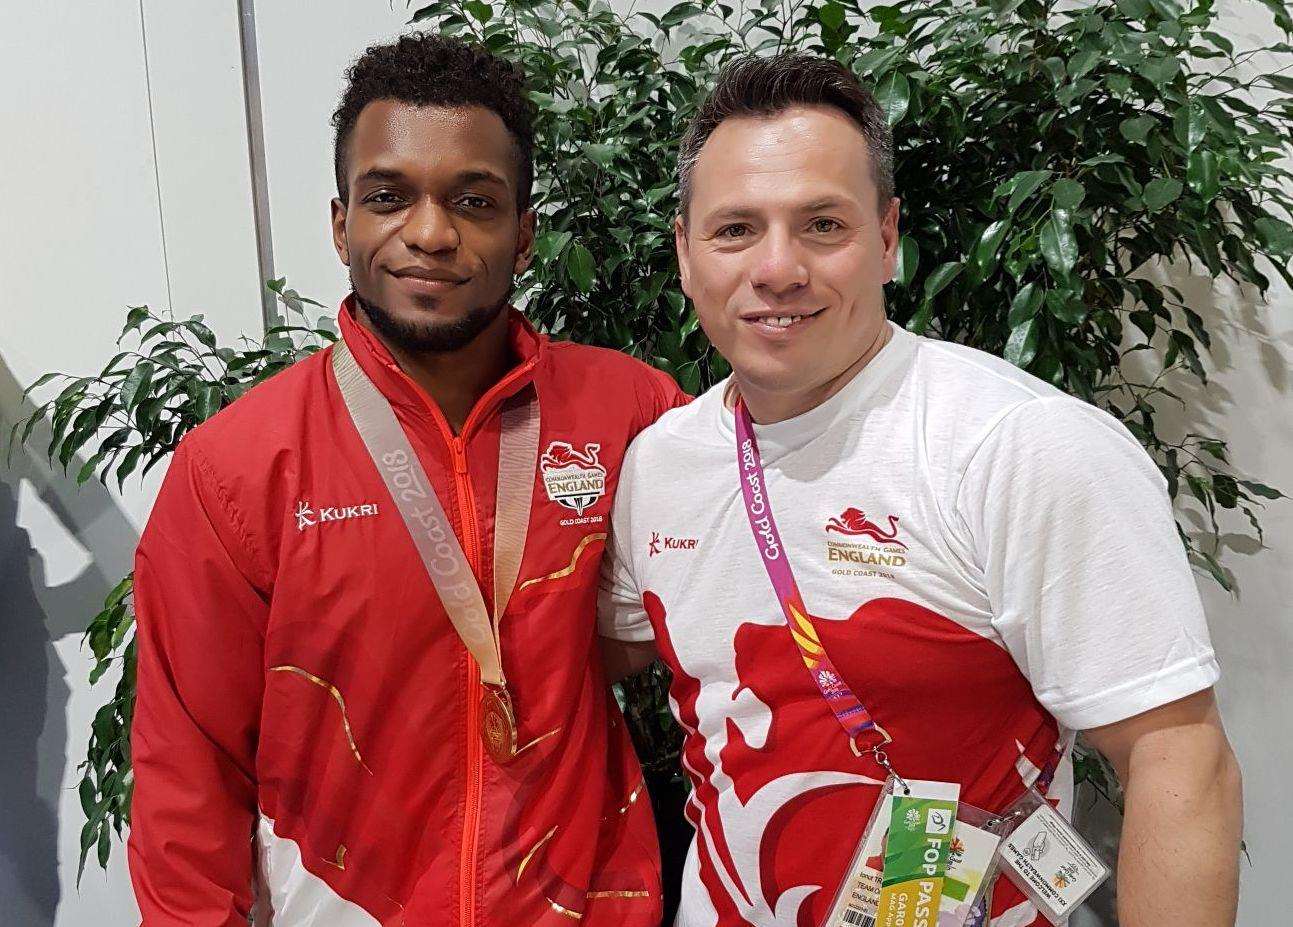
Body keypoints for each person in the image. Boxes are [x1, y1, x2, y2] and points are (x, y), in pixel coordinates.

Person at [600, 53, 1242, 927]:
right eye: (735, 229)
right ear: (684, 253)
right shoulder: (658, 464)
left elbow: (1177, 757)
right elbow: (604, 655)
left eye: (822, 225)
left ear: (888, 236)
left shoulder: (1015, 446)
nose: (777, 267)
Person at [129, 33, 682, 927]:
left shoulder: (630, 412)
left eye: (475, 200)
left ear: (526, 233)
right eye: (389, 197)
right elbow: (186, 773)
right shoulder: (237, 466)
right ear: (341, 221)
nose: (430, 233)